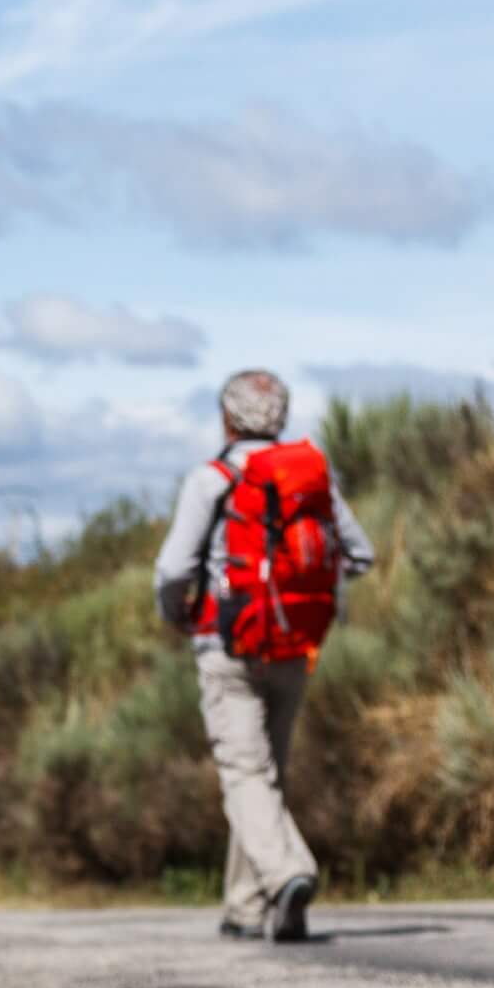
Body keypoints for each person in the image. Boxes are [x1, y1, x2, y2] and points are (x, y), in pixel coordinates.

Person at [152, 367, 375, 943]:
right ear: (280, 417)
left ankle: (287, 874)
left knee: (245, 772)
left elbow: (174, 569)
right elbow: (361, 553)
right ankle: (244, 907)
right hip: (296, 643)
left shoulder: (213, 479)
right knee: (265, 775)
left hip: (227, 645)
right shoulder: (309, 477)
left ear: (227, 418)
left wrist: (178, 613)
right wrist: (303, 588)